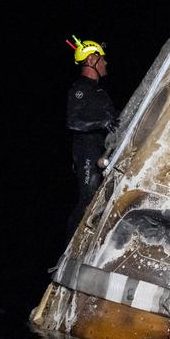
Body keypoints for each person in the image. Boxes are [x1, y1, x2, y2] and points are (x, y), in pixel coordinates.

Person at [66, 36, 118, 239]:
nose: (105, 62)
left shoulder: (100, 92)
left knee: (103, 198)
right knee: (88, 198)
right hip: (86, 152)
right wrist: (102, 123)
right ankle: (68, 248)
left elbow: (113, 121)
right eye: (102, 58)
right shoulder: (80, 88)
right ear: (91, 61)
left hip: (102, 151)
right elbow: (73, 122)